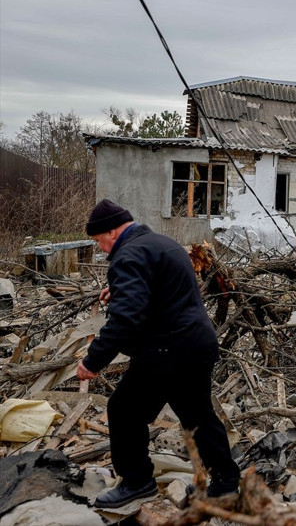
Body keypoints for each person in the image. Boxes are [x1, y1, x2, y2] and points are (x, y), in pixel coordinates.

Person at [77, 199, 240, 508]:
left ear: (112, 231)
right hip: (196, 344)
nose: (100, 249)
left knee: (124, 409)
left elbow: (126, 319)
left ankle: (137, 483)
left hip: (168, 349)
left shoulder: (128, 255)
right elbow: (166, 287)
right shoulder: (161, 244)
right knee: (197, 414)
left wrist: (93, 360)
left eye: (99, 240)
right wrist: (120, 290)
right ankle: (226, 483)